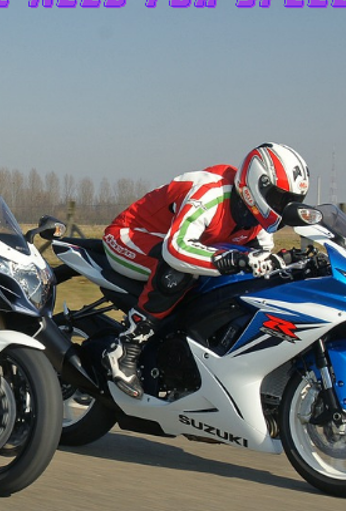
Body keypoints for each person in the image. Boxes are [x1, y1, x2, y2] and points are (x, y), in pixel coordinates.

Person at [101, 142, 310, 397]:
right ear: (258, 182)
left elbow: (260, 262)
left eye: (291, 202)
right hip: (129, 236)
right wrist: (233, 259)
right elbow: (177, 249)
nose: (283, 207)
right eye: (280, 198)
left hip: (171, 244)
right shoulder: (212, 191)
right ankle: (126, 347)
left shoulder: (258, 221)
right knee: (180, 270)